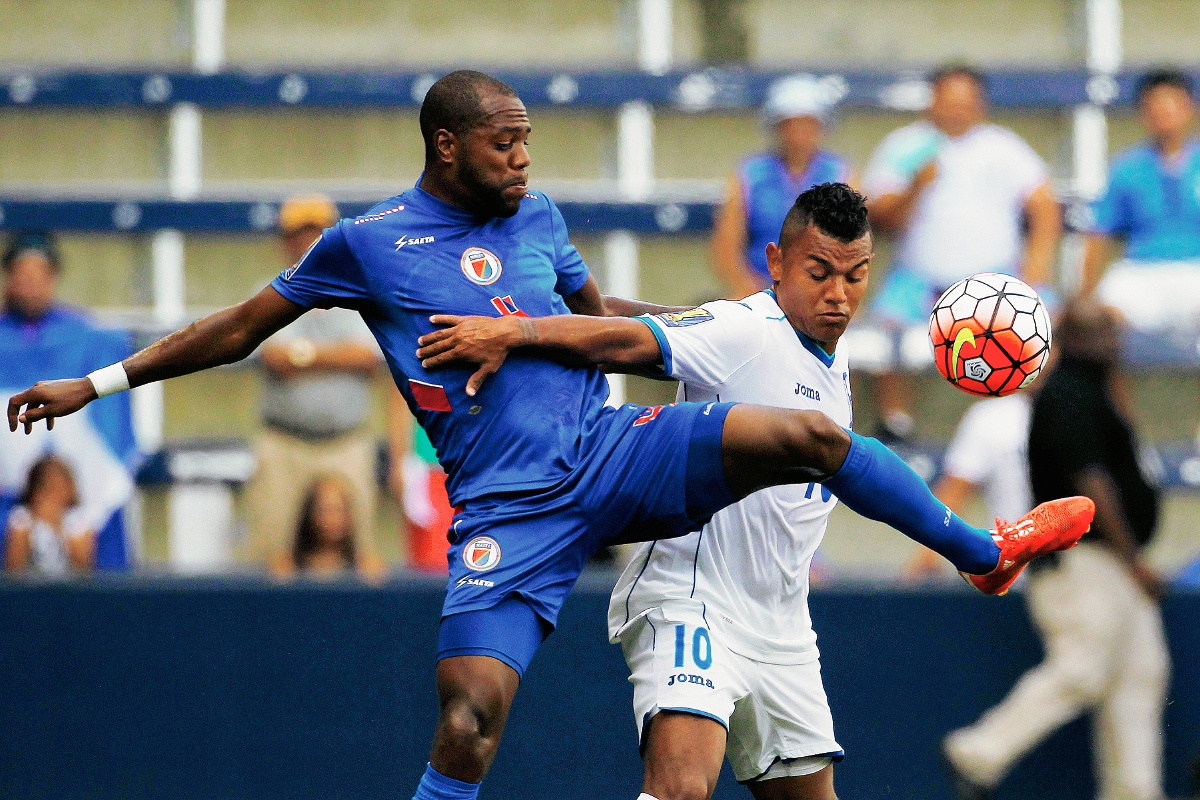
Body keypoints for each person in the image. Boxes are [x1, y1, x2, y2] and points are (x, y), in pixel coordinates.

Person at [7, 71, 1092, 800]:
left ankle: (980, 549)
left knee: (808, 434)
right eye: (505, 142)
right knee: (471, 714)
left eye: (529, 140)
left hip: (616, 453)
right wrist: (97, 381)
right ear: (448, 145)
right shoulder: (367, 243)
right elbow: (243, 325)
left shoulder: (536, 217)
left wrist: (548, 337)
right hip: (509, 505)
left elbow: (599, 316)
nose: (525, 158)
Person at [943, 300, 1169, 800]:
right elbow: (1090, 483)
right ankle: (979, 750)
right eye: (1101, 334)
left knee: (1141, 672)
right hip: (1082, 561)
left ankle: (1135, 791)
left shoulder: (1092, 392)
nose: (1114, 343)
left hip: (1110, 565)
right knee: (1084, 668)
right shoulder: (1067, 393)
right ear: (1073, 340)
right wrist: (1134, 561)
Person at [863, 64, 1062, 442]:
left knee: (1047, 320)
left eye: (966, 102)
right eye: (949, 100)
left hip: (996, 278)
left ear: (980, 104)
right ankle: (897, 422)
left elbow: (1044, 204)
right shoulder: (908, 145)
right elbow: (878, 214)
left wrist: (1038, 263)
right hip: (920, 277)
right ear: (932, 101)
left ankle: (1026, 421)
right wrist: (916, 187)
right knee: (881, 330)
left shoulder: (1003, 146)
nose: (957, 110)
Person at [244, 194, 386, 574]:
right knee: (271, 558)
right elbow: (274, 358)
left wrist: (303, 354)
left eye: (317, 233)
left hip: (347, 440)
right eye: (298, 234)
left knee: (364, 561)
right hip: (284, 441)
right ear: (284, 241)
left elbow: (367, 357)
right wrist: (334, 356)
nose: (307, 243)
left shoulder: (362, 290)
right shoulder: (267, 292)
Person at [0, 233, 136, 569]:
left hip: (81, 506)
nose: (30, 285)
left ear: (54, 278)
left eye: (39, 275)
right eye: (22, 275)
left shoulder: (89, 338)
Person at [711, 74, 853, 299]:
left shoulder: (842, 175)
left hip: (823, 291)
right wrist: (749, 289)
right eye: (789, 124)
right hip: (760, 289)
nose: (798, 134)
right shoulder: (748, 175)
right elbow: (726, 248)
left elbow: (853, 248)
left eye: (807, 124)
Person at [1082, 69, 1200, 328]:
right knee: (1101, 319)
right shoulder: (1126, 168)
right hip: (1142, 269)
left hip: (1196, 265)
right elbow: (1099, 233)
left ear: (1189, 108)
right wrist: (1086, 296)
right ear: (1143, 114)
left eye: (1172, 104)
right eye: (1155, 106)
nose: (1164, 113)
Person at [903, 390, 1033, 581]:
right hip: (1015, 573)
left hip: (1083, 563)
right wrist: (927, 557)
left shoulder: (1086, 407)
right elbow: (954, 494)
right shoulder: (991, 418)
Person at [5, 455, 94, 575]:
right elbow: (13, 567)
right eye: (48, 488)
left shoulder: (78, 520)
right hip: (30, 589)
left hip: (70, 590)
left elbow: (83, 567)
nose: (54, 494)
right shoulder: (22, 518)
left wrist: (56, 524)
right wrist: (32, 523)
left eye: (60, 488)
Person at [278, 474, 375, 579]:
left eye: (340, 509)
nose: (333, 518)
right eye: (326, 510)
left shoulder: (366, 569)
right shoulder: (286, 567)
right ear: (309, 514)